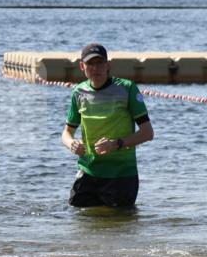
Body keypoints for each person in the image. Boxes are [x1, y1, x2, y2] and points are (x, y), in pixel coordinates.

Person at [61, 43, 154, 207]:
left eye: (100, 63)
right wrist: (72, 144)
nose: (95, 68)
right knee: (79, 219)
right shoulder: (79, 92)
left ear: (108, 65)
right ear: (82, 66)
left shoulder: (127, 89)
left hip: (121, 174)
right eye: (90, 63)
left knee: (119, 225)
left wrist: (117, 144)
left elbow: (147, 133)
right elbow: (66, 133)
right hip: (89, 171)